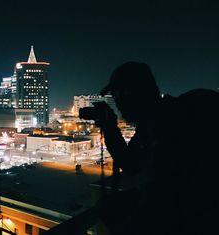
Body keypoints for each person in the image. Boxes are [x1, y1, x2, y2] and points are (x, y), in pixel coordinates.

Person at [92, 62, 218, 235]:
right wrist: (110, 129)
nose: (117, 102)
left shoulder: (175, 121)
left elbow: (165, 194)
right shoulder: (150, 123)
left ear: (131, 93)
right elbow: (131, 165)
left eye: (117, 94)